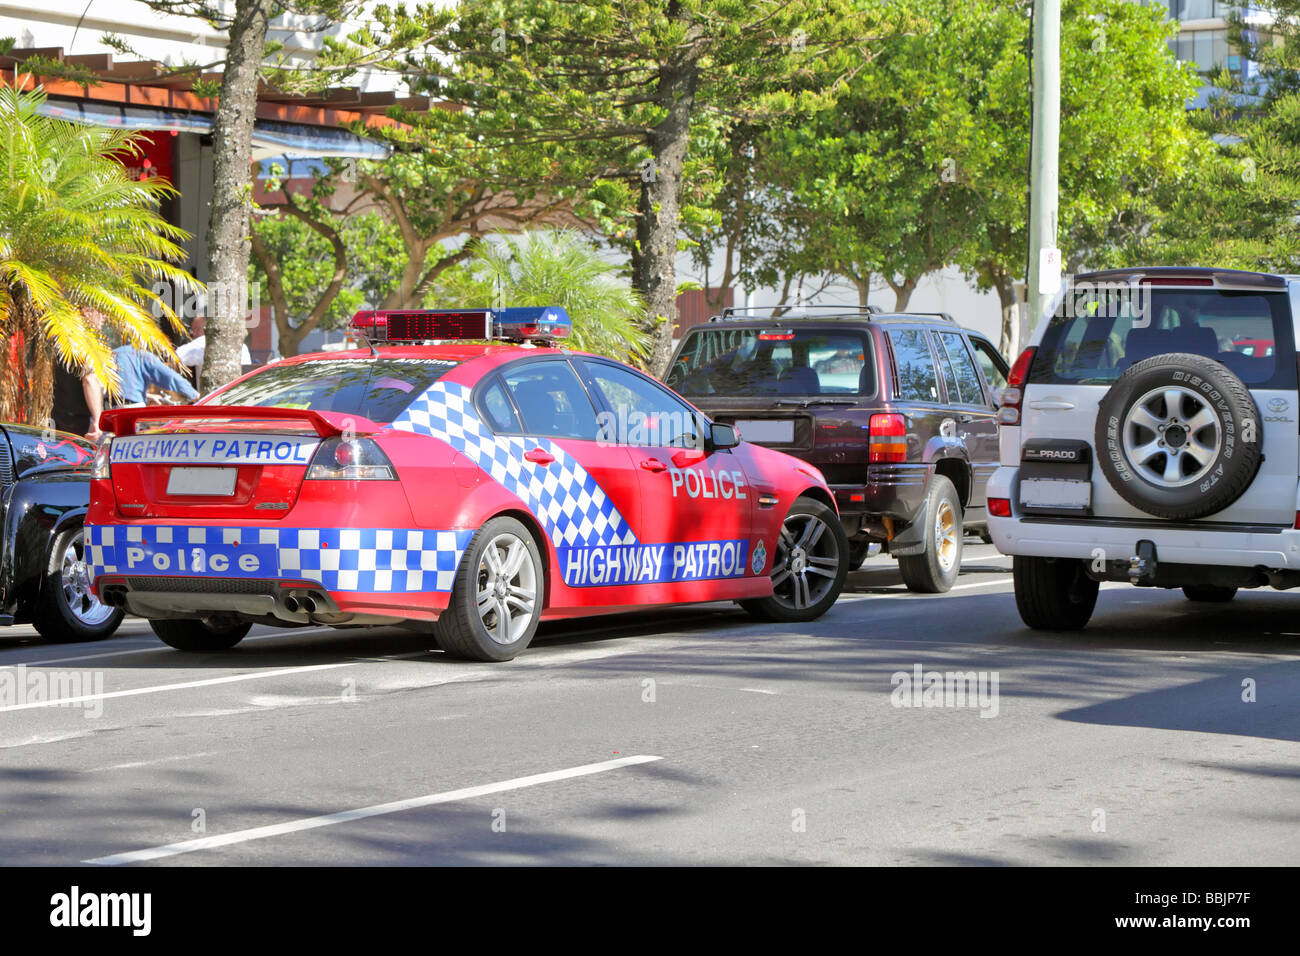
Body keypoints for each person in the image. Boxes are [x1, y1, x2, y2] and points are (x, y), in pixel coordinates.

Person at [110, 343, 200, 407]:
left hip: (108, 410)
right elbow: (169, 377)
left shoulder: (112, 354)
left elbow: (122, 389)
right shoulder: (139, 355)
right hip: (131, 409)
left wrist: (147, 396)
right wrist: (194, 395)